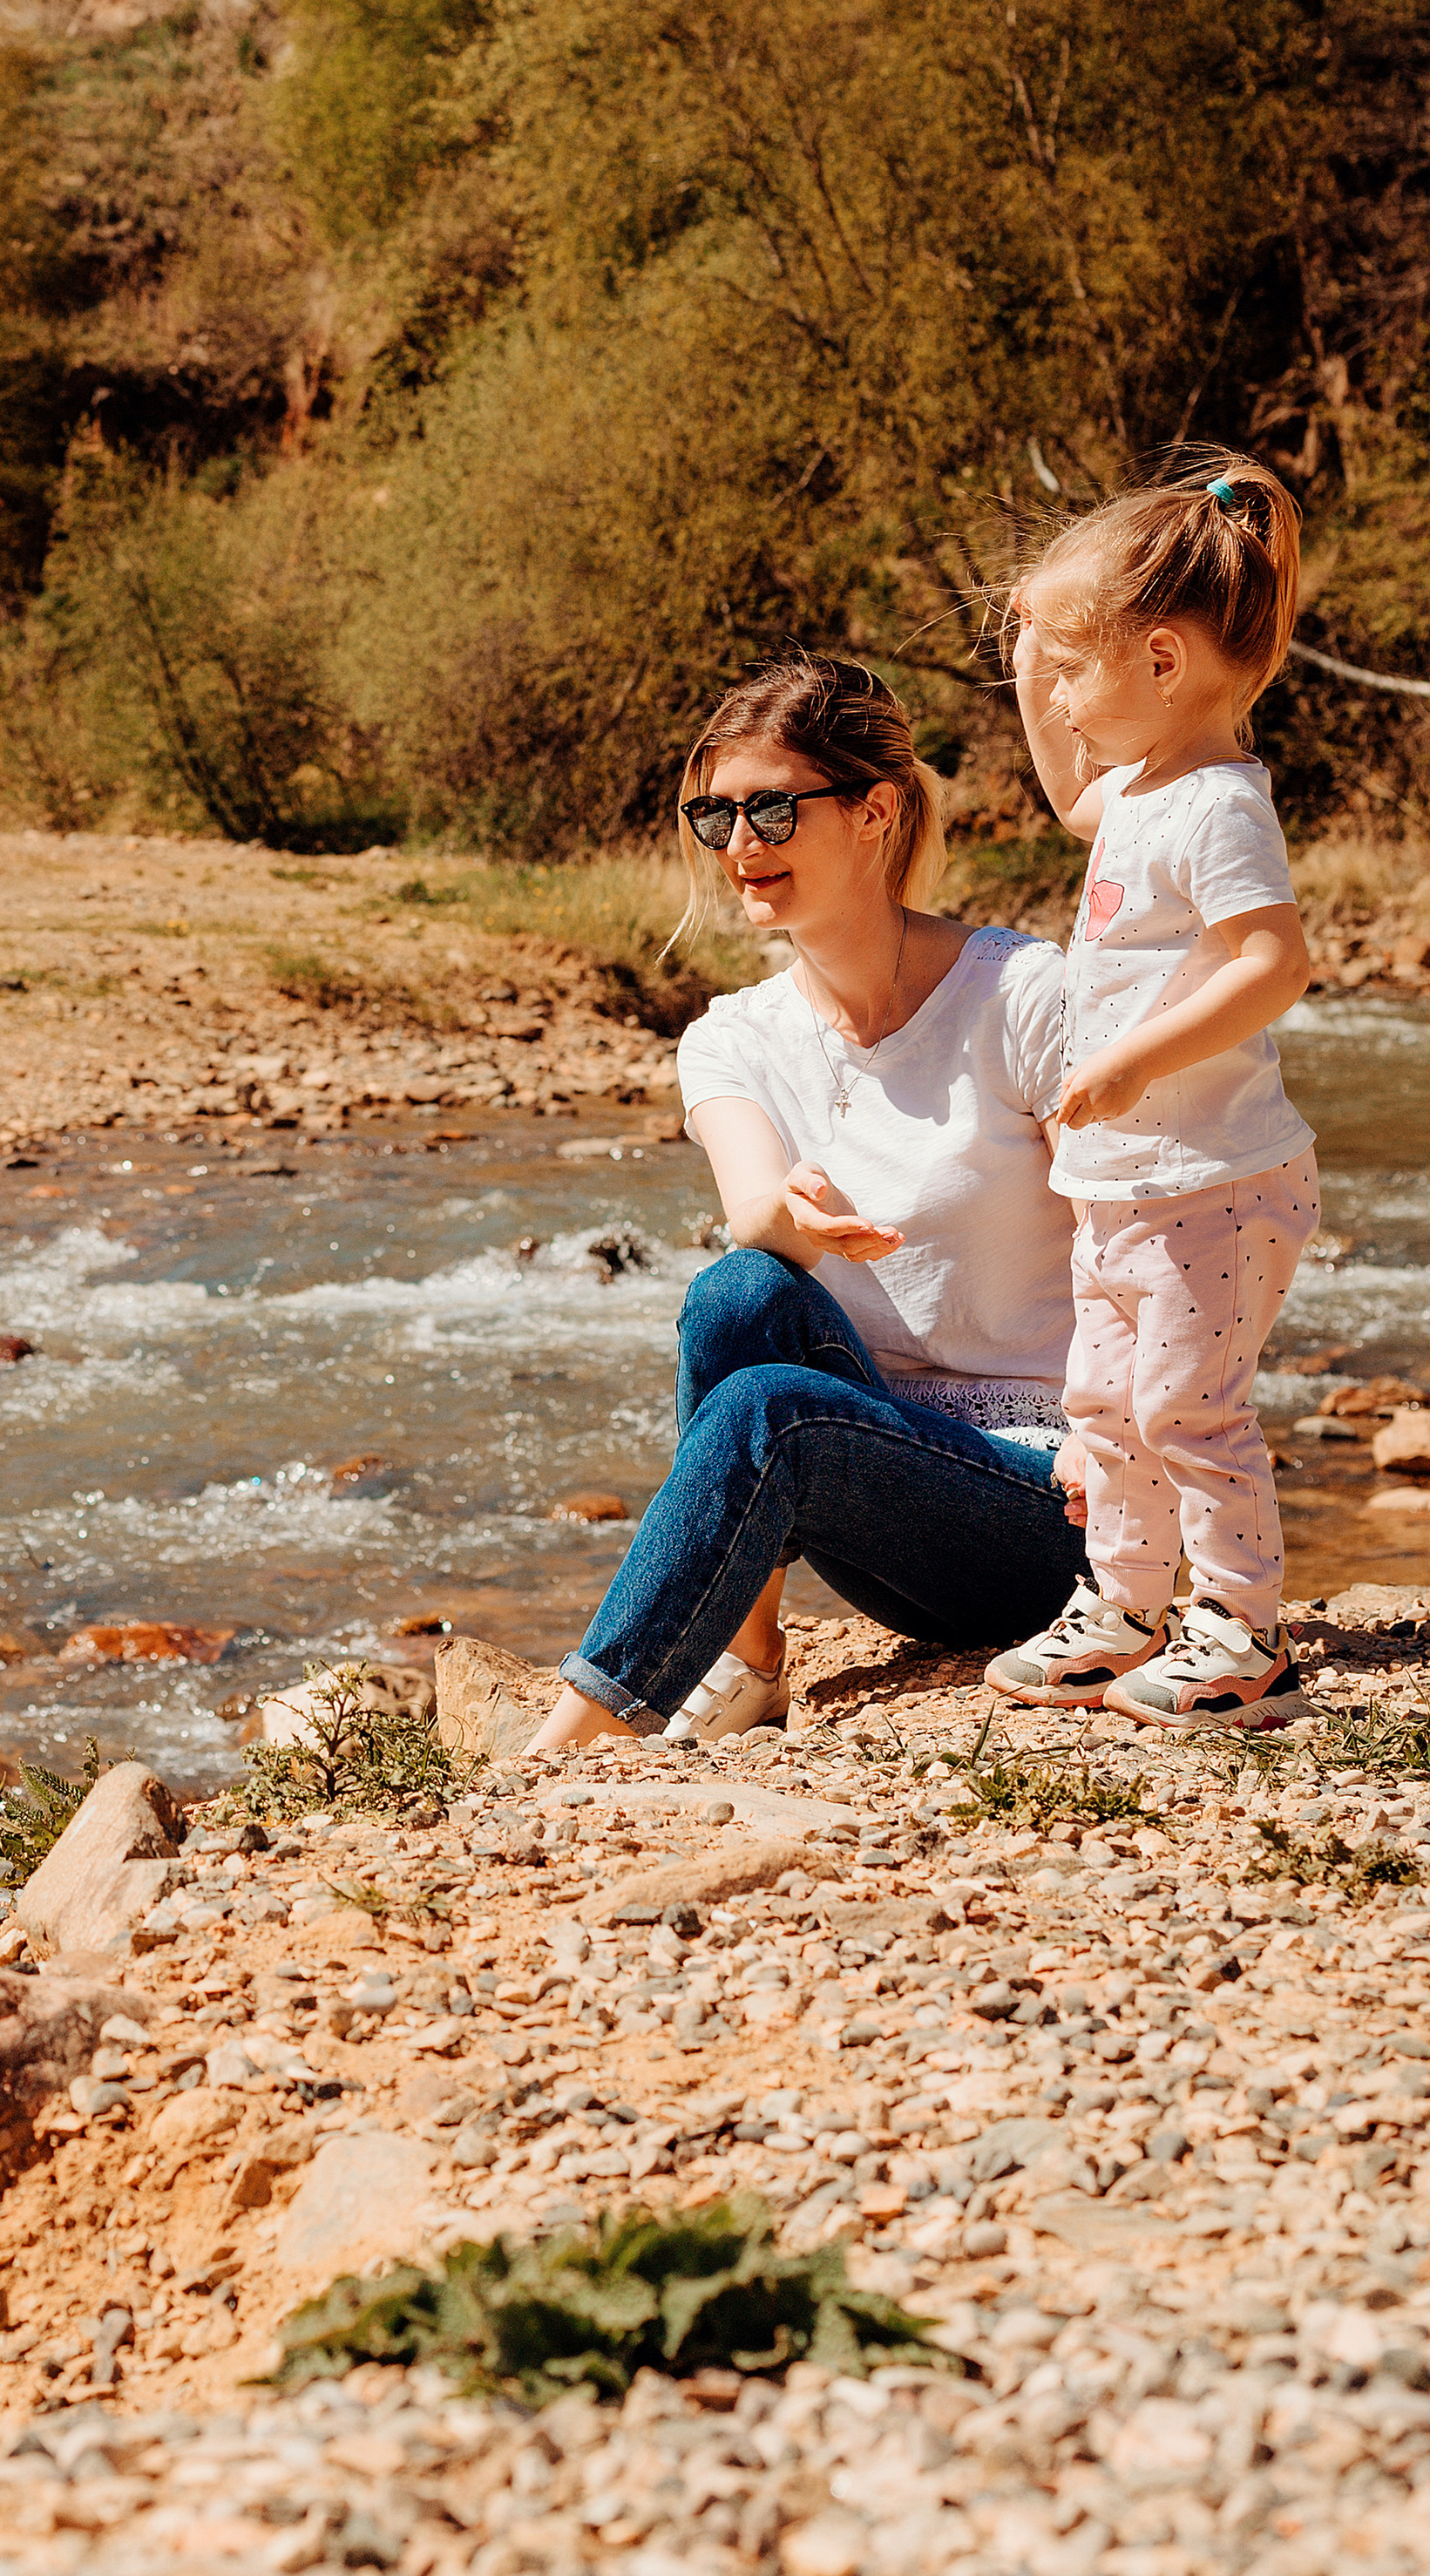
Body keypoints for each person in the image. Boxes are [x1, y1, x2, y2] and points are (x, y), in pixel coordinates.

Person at [524, 651, 1088, 1766]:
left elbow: (1139, 1238)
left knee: (773, 1410)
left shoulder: (1023, 996)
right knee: (739, 1296)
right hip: (885, 1492)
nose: (741, 845)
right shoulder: (732, 1035)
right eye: (716, 815)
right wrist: (788, 1220)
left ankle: (566, 1746)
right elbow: (749, 1215)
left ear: (874, 810)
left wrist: (1129, 1432)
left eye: (772, 808)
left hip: (1057, 1506)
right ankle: (750, 1660)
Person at [986, 458, 1316, 1732]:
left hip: (1214, 1183)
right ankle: (1121, 1606)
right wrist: (1034, 650)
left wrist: (1137, 1058)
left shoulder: (1220, 807)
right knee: (1106, 1405)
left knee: (1187, 1404)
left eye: (1079, 672)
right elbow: (1071, 790)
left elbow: (1273, 961)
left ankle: (1240, 1633)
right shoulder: (1135, 793)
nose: (1065, 701)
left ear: (1164, 663)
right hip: (1126, 1186)